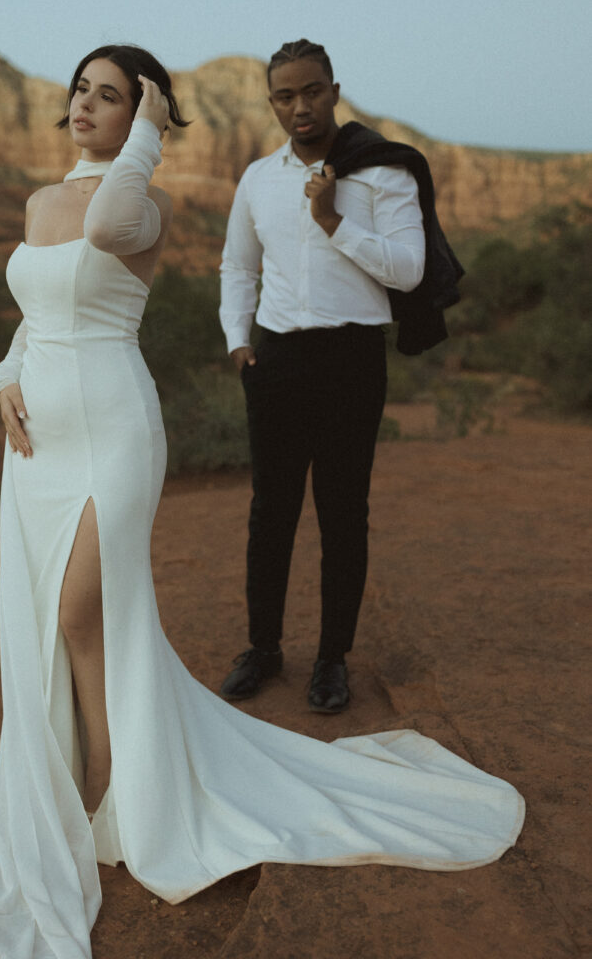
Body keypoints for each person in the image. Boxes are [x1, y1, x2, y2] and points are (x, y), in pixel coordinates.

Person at [0, 44, 523, 959]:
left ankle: (118, 787)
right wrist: (2, 369)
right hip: (38, 441)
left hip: (115, 429)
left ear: (140, 117)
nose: (85, 104)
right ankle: (103, 771)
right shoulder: (39, 203)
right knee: (63, 615)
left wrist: (149, 135)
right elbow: (36, 308)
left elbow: (110, 219)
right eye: (81, 89)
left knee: (84, 610)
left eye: (111, 97)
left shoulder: (140, 204)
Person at [219, 38, 424, 712]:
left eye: (311, 91)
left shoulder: (382, 173)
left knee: (342, 514)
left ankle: (331, 659)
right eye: (285, 95)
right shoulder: (257, 178)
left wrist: (332, 220)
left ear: (334, 90)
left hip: (350, 360)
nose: (299, 106)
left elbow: (407, 271)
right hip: (275, 360)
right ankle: (263, 648)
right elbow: (238, 266)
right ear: (272, 101)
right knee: (269, 511)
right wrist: (237, 342)